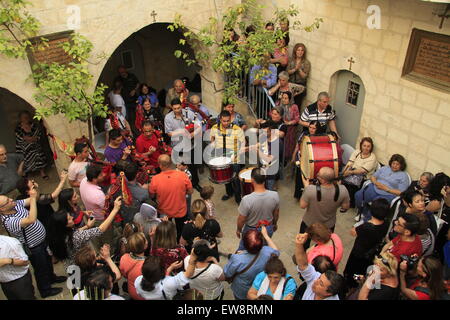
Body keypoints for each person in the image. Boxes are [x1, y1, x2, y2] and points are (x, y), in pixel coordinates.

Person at [0, 187, 65, 298]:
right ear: (2, 209)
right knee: (41, 268)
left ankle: (52, 278)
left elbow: (31, 200)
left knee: (48, 261)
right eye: (8, 201)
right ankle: (45, 290)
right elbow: (31, 219)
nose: (11, 199)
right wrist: (33, 198)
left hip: (41, 241)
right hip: (34, 247)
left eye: (9, 198)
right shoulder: (9, 221)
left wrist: (34, 193)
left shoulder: (15, 204)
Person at [47, 196, 122, 267]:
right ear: (64, 225)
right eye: (69, 219)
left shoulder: (53, 236)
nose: (72, 217)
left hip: (69, 266)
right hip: (83, 266)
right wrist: (115, 210)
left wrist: (87, 226)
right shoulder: (76, 237)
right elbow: (100, 230)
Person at [343, 198, 390, 290]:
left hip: (359, 253)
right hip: (371, 252)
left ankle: (349, 284)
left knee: (352, 270)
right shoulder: (386, 223)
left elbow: (353, 232)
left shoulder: (367, 226)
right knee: (362, 270)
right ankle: (357, 284)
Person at [299, 167, 350, 249]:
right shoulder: (343, 190)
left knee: (304, 242)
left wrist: (306, 188)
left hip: (309, 223)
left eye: (318, 175)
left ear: (323, 180)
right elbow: (345, 207)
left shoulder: (310, 189)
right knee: (325, 245)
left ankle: (303, 255)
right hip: (328, 225)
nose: (317, 175)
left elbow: (302, 205)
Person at [224, 226, 279, 300]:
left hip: (242, 291)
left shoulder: (237, 259)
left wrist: (242, 254)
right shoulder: (268, 252)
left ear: (244, 244)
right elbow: (276, 251)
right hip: (258, 289)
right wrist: (266, 235)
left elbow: (227, 273)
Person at [149, 154, 193, 240]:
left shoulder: (155, 179)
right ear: (171, 163)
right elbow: (190, 191)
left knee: (167, 232)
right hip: (180, 210)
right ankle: (180, 245)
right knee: (181, 230)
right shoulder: (183, 175)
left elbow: (152, 195)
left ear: (160, 165)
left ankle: (170, 245)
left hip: (164, 212)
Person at [355, 154, 410, 221]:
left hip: (388, 194)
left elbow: (401, 192)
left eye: (397, 164)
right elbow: (373, 177)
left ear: (401, 165)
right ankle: (364, 212)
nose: (394, 166)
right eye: (393, 163)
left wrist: (387, 189)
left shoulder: (404, 176)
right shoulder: (385, 168)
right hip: (375, 187)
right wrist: (376, 183)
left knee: (377, 206)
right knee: (358, 195)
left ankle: (366, 220)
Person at [236, 168, 279, 251]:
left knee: (243, 249)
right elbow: (276, 214)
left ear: (252, 180)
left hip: (251, 230)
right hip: (267, 228)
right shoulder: (275, 195)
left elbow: (241, 219)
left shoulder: (246, 199)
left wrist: (238, 230)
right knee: (263, 247)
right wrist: (275, 224)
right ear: (265, 178)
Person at [164, 98, 202, 192]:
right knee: (181, 166)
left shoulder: (188, 113)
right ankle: (183, 185)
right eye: (174, 109)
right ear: (172, 108)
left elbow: (198, 125)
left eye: (178, 108)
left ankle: (195, 183)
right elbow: (169, 133)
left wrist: (193, 134)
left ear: (181, 106)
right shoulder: (168, 118)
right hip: (178, 145)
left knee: (192, 165)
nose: (177, 110)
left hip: (190, 144)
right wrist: (181, 132)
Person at [209, 110, 246, 203]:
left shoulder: (237, 129)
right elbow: (212, 137)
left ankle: (238, 197)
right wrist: (213, 144)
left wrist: (241, 149)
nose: (226, 123)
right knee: (226, 178)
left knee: (236, 179)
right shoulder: (214, 127)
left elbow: (243, 141)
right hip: (222, 158)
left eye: (228, 120)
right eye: (224, 121)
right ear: (220, 120)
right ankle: (229, 193)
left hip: (234, 158)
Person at [294, 233, 344, 300]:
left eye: (321, 284)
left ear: (328, 293)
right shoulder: (315, 278)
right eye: (319, 278)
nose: (315, 281)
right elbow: (303, 265)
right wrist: (299, 244)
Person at [79, 164, 114, 251]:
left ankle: (98, 247)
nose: (104, 175)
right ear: (94, 179)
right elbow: (107, 207)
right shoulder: (97, 195)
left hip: (91, 215)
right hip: (100, 219)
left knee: (96, 236)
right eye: (101, 175)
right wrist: (110, 194)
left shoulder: (83, 181)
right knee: (107, 239)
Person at [255, 108, 287, 190]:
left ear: (280, 116)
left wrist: (269, 129)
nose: (273, 115)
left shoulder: (282, 126)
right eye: (272, 113)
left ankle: (272, 187)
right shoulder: (268, 124)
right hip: (265, 153)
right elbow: (258, 131)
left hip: (274, 153)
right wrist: (258, 123)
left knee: (271, 177)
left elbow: (281, 134)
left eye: (276, 114)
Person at [341, 137, 378, 208]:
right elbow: (350, 162)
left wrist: (350, 172)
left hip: (363, 177)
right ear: (361, 145)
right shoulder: (357, 152)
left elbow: (362, 170)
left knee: (351, 185)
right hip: (352, 171)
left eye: (368, 146)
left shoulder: (372, 158)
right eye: (364, 145)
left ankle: (350, 203)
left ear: (371, 148)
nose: (366, 148)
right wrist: (344, 172)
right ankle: (344, 200)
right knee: (342, 180)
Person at [0, 235, 35, 300]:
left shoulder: (10, 243)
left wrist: (7, 261)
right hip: (3, 282)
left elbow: (25, 262)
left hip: (19, 282)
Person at [15, 110, 48, 179]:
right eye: (24, 117)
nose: (26, 118)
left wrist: (30, 139)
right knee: (27, 151)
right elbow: (21, 138)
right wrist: (30, 139)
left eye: (27, 117)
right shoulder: (18, 128)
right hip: (23, 147)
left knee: (37, 150)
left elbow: (38, 136)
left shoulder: (34, 125)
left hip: (34, 145)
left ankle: (42, 172)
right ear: (20, 118)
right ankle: (27, 172)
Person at [292, 121, 318, 199]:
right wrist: (294, 156)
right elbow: (298, 145)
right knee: (299, 177)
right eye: (310, 127)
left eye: (314, 128)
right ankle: (299, 195)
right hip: (301, 159)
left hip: (312, 162)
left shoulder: (318, 137)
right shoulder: (304, 134)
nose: (311, 130)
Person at [119, 232, 148, 300]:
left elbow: (124, 274)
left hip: (131, 291)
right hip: (144, 295)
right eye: (145, 240)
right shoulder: (147, 264)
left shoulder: (124, 257)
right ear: (145, 246)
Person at [278, 91, 299, 163]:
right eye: (283, 98)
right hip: (282, 127)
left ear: (290, 99)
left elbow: (297, 119)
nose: (284, 100)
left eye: (286, 98)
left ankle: (287, 160)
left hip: (291, 129)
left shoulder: (294, 107)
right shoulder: (279, 105)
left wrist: (289, 123)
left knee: (289, 145)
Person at [287, 43, 311, 107]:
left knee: (296, 106)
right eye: (298, 50)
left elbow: (304, 76)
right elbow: (287, 72)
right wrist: (295, 69)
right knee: (287, 104)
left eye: (302, 50)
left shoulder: (306, 62)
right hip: (290, 85)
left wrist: (299, 69)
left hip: (300, 87)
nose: (300, 52)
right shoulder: (291, 60)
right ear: (295, 51)